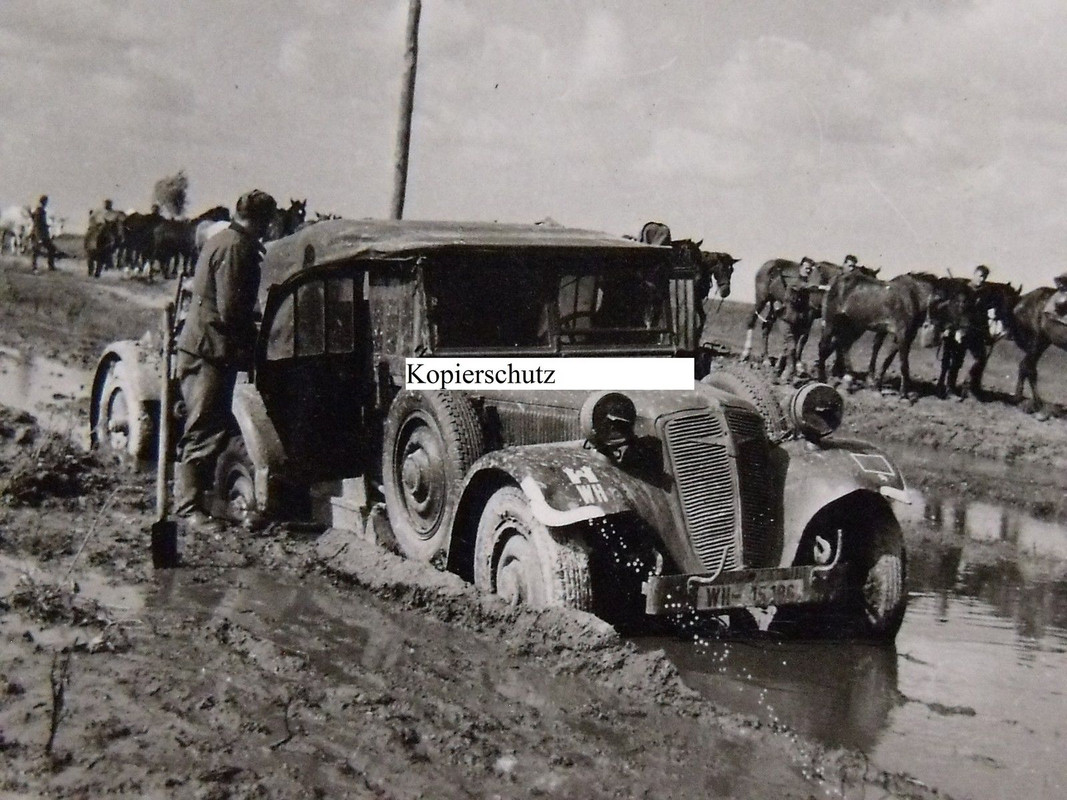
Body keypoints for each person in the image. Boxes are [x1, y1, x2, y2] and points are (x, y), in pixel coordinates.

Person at [173, 189, 277, 532]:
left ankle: (202, 501)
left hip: (209, 347)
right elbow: (231, 310)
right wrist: (256, 342)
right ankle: (189, 508)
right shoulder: (235, 247)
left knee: (211, 425)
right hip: (209, 350)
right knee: (203, 427)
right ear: (263, 220)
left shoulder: (227, 240)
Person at [776, 257, 818, 382]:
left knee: (787, 349)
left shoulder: (806, 286)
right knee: (792, 347)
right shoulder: (795, 282)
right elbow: (801, 287)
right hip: (786, 320)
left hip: (796, 322)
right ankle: (791, 375)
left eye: (810, 270)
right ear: (800, 268)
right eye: (806, 268)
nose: (808, 271)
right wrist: (821, 288)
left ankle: (776, 372)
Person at [29, 195, 58, 273]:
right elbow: (37, 225)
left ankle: (50, 266)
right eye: (46, 201)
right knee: (37, 251)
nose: (46, 203)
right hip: (39, 235)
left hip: (42, 234)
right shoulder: (39, 211)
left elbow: (40, 223)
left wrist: (46, 226)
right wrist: (39, 238)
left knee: (50, 249)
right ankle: (35, 267)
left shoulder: (40, 211)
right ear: (44, 202)